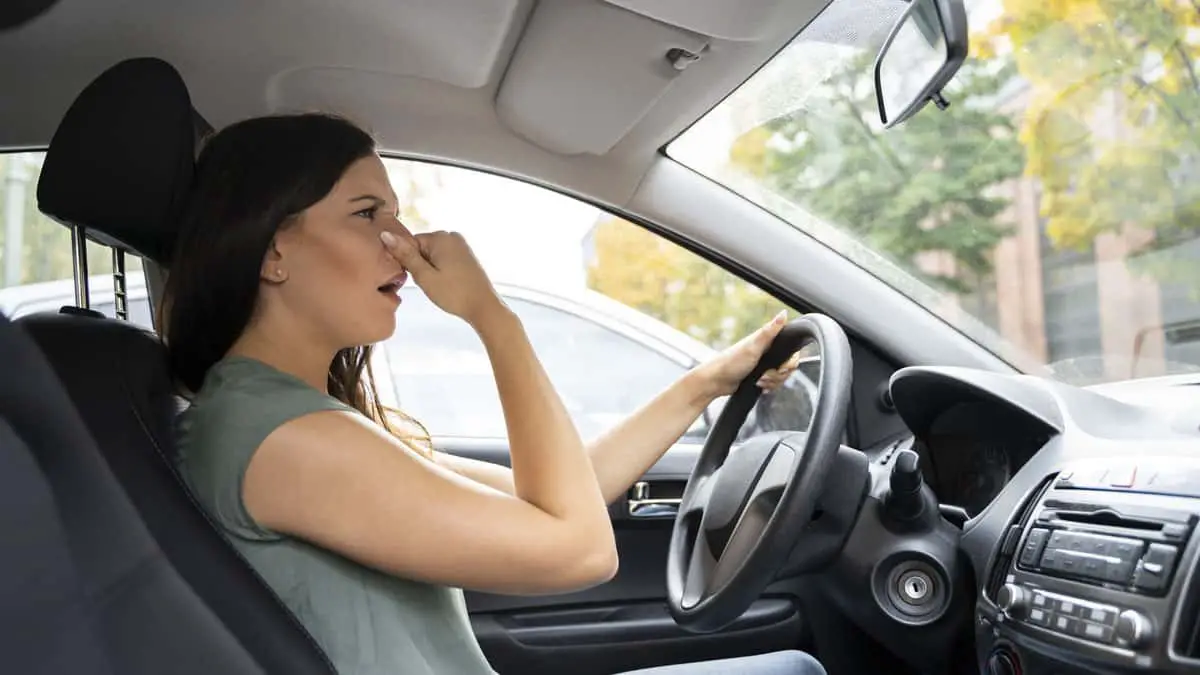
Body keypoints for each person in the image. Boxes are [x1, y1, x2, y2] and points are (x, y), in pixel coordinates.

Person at [166, 113, 827, 675]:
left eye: (396, 214)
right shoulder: (285, 439)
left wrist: (708, 382)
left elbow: (567, 490)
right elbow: (583, 549)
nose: (403, 243)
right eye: (368, 214)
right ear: (272, 251)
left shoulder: (284, 415)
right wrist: (492, 318)